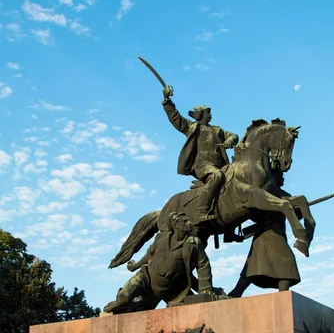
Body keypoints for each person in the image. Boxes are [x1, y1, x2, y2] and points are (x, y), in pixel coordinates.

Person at [104, 212, 213, 314]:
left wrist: (205, 290)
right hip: (147, 277)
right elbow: (149, 255)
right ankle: (118, 304)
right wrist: (135, 266)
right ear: (175, 224)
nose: (189, 223)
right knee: (124, 297)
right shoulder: (161, 238)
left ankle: (127, 307)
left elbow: (202, 264)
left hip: (171, 288)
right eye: (185, 221)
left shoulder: (193, 243)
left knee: (140, 310)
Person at [162, 87, 239, 224]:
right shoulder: (191, 126)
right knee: (216, 176)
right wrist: (167, 101)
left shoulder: (217, 130)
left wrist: (229, 141)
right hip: (203, 165)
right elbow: (175, 118)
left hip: (221, 166)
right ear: (199, 115)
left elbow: (233, 135)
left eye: (210, 113)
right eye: (207, 113)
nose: (210, 115)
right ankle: (200, 211)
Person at [229, 169, 301, 297]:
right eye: (280, 175)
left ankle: (237, 292)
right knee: (286, 261)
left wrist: (298, 209)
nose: (282, 178)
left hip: (277, 233)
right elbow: (252, 211)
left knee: (254, 266)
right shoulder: (267, 194)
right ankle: (282, 296)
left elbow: (296, 215)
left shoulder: (283, 194)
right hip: (267, 233)